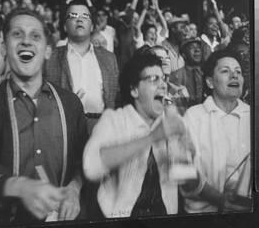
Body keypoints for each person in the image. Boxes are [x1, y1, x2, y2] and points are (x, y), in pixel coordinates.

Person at [0, 9, 88, 226]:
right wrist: (17, 187)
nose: (26, 41)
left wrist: (74, 188)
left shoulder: (70, 104)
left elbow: (83, 161)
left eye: (35, 36)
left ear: (47, 51)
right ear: (3, 48)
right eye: (17, 34)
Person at [83, 53, 202, 218]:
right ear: (134, 90)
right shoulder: (114, 120)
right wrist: (152, 137)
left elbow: (190, 186)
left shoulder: (174, 122)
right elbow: (92, 167)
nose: (163, 85)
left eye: (163, 79)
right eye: (154, 79)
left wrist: (188, 158)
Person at [183, 50, 251, 213]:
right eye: (225, 71)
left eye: (238, 72)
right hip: (203, 215)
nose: (234, 76)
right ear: (210, 82)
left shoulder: (253, 115)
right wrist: (218, 199)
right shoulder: (193, 116)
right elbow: (184, 171)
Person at [45, 2, 119, 133]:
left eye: (85, 16)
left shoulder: (109, 58)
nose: (79, 19)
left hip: (101, 127)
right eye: (73, 16)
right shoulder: (51, 58)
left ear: (91, 27)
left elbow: (115, 96)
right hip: (64, 127)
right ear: (65, 26)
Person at [170, 37, 205, 107]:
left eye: (198, 47)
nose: (197, 50)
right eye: (192, 48)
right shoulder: (176, 75)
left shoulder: (206, 73)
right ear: (184, 55)